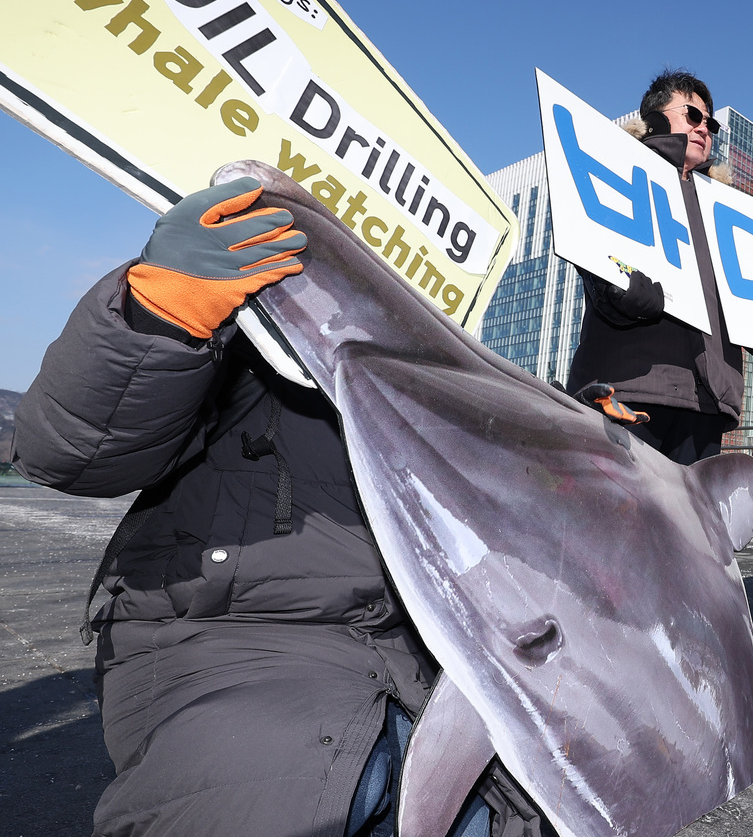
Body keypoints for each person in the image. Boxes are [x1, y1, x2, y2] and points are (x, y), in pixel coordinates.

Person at [10, 178, 492, 837]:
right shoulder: (242, 341)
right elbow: (64, 453)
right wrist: (161, 312)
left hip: (424, 671)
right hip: (231, 644)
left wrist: (588, 440)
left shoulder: (439, 386)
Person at [565, 69, 753, 465]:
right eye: (692, 115)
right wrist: (614, 289)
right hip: (630, 388)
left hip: (706, 404)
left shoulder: (729, 213)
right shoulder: (617, 167)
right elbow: (592, 249)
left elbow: (748, 301)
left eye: (710, 122)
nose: (705, 128)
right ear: (654, 118)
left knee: (687, 529)